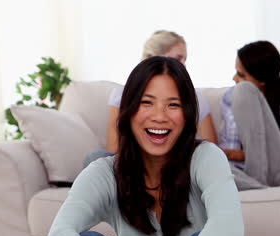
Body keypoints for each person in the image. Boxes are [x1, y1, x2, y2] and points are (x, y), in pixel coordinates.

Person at [42, 56, 244, 236]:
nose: (159, 116)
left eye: (173, 105)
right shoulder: (105, 173)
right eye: (146, 102)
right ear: (129, 111)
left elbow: (228, 226)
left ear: (187, 113)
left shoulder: (206, 158)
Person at [84, 30, 217, 167]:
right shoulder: (121, 95)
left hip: (180, 165)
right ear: (152, 57)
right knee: (94, 158)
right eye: (177, 58)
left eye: (174, 104)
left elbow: (211, 149)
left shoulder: (196, 98)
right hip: (132, 165)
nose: (183, 65)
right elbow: (113, 148)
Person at [218, 40, 280, 190]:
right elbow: (230, 149)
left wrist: (241, 154)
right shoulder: (230, 98)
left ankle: (259, 187)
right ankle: (264, 191)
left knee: (243, 90)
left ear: (262, 80)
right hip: (244, 174)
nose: (234, 78)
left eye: (241, 74)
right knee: (208, 168)